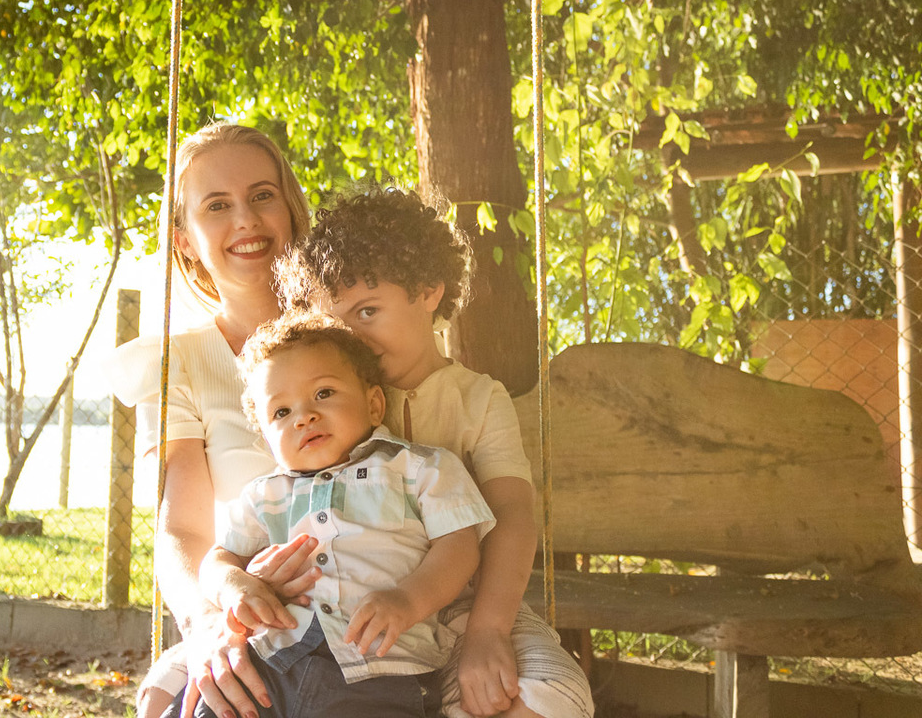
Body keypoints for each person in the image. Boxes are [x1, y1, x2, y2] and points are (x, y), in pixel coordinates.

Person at [275, 188, 594, 718]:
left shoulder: (478, 400)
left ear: (428, 291)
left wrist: (489, 630)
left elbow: (512, 515)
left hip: (472, 606)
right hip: (356, 614)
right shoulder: (326, 405)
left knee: (547, 698)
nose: (352, 338)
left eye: (368, 311)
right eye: (336, 323)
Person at [168, 312, 496, 718]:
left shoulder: (418, 468)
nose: (304, 416)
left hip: (377, 667)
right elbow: (218, 559)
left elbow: (459, 546)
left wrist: (409, 599)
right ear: (267, 441)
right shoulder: (265, 494)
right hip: (270, 663)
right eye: (281, 412)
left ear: (374, 404)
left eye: (323, 393)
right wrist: (235, 586)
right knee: (206, 706)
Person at [106, 121, 312, 718]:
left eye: (263, 195)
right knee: (176, 700)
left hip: (370, 594)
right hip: (240, 603)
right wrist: (204, 625)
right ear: (186, 241)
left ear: (290, 210)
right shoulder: (180, 363)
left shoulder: (350, 337)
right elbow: (182, 528)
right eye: (217, 205)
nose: (245, 219)